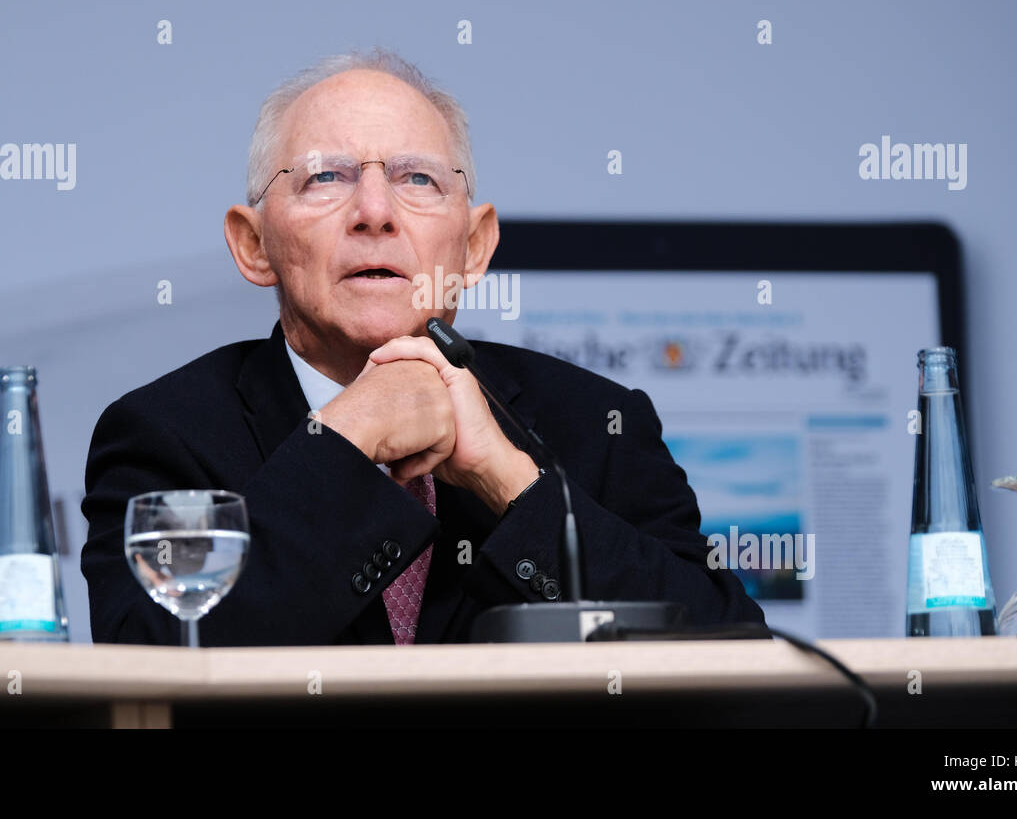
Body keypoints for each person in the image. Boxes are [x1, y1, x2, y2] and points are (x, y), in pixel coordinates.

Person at [80, 47, 767, 645]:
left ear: (473, 247)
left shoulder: (600, 426)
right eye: (325, 177)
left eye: (417, 180)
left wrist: (509, 479)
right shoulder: (164, 435)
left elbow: (732, 658)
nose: (374, 212)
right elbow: (157, 662)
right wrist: (347, 437)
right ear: (253, 244)